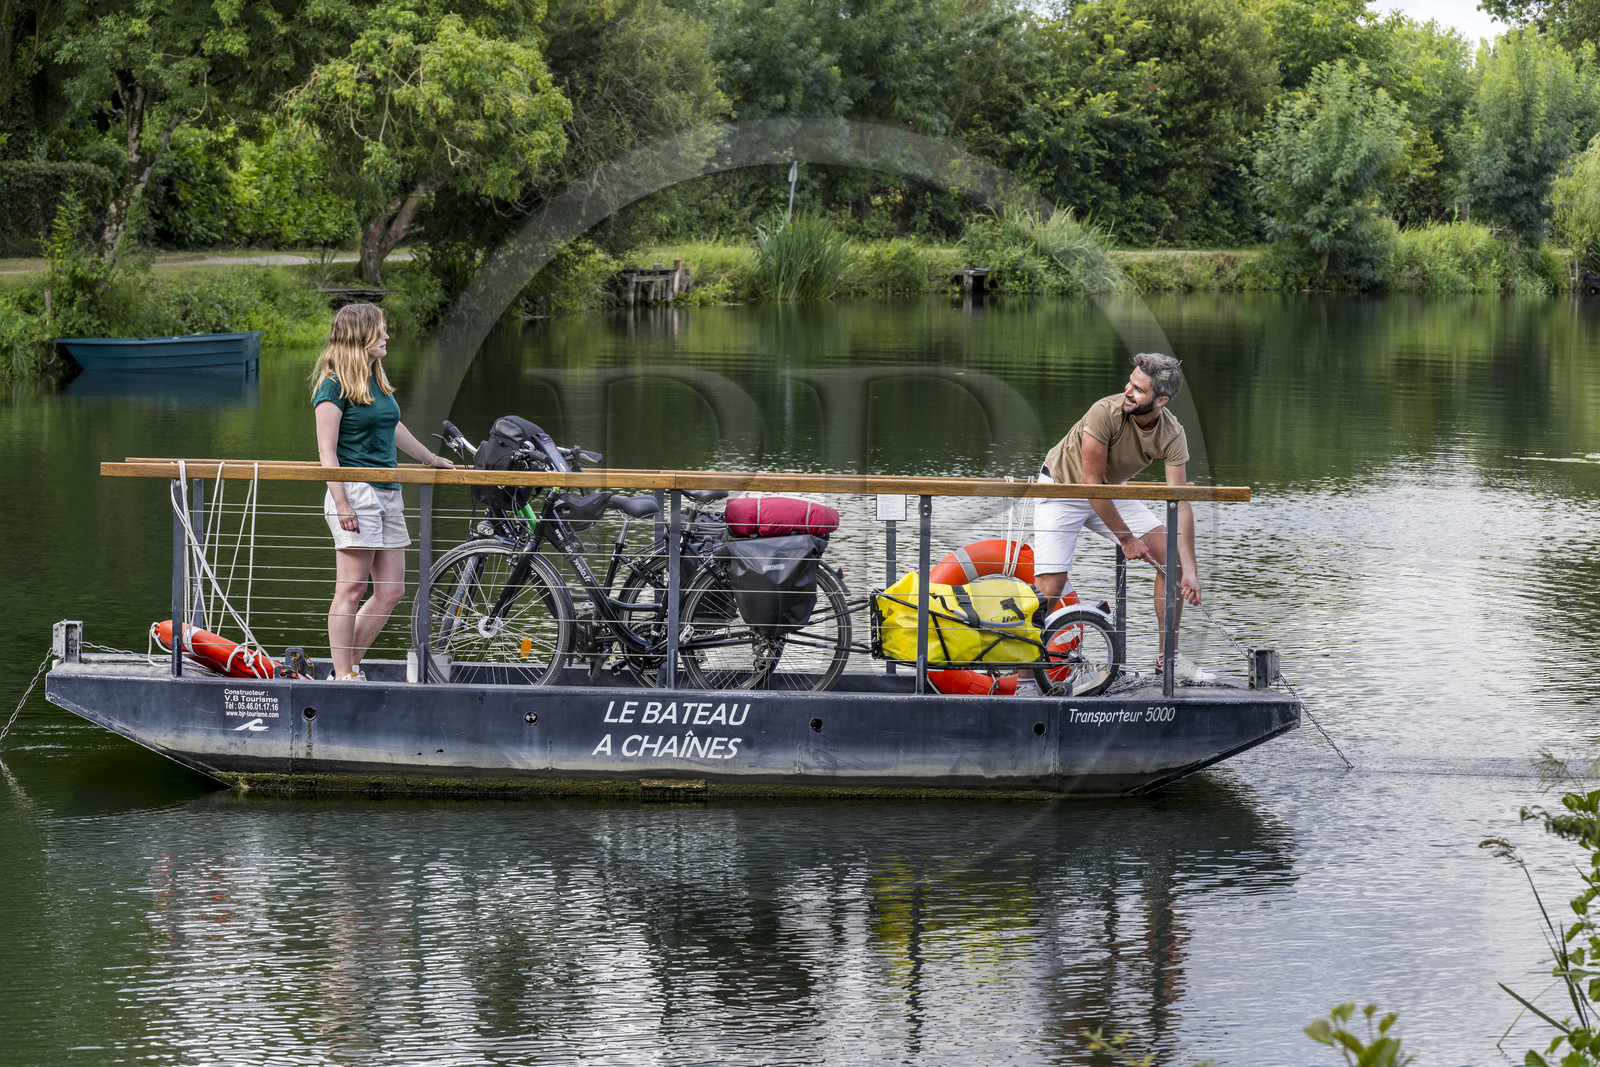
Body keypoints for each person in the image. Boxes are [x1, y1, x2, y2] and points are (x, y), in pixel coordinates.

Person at [1034, 352, 1215, 683]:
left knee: (1170, 561)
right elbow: (1090, 485)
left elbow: (1181, 502)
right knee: (1050, 586)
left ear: (1161, 400)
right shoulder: (1104, 411)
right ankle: (1026, 676)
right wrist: (1126, 538)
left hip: (1109, 491)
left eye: (1139, 389)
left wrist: (1190, 571)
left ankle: (1167, 660)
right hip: (1063, 488)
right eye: (1130, 383)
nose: (1128, 391)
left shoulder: (1172, 433)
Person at [311, 303, 454, 680]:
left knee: (391, 590)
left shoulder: (374, 376)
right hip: (355, 494)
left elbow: (391, 425)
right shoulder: (332, 386)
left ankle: (344, 667)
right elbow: (326, 451)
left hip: (388, 492)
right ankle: (344, 675)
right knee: (352, 587)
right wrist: (342, 502)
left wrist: (429, 459)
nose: (388, 336)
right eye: (382, 331)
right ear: (361, 335)